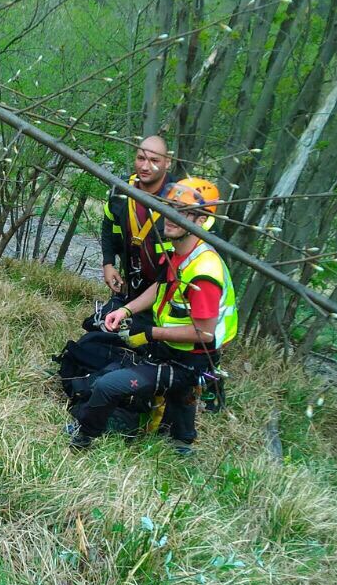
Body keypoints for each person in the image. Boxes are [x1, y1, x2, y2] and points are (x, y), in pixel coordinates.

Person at [67, 177, 235, 452]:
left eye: (184, 212)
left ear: (202, 221)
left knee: (109, 386)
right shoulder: (180, 251)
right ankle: (181, 442)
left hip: (189, 361)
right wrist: (125, 309)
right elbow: (162, 286)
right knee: (177, 411)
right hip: (172, 351)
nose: (171, 216)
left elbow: (204, 334)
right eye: (170, 206)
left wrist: (150, 333)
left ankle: (82, 437)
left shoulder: (205, 272)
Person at [100, 136, 179, 309]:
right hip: (133, 286)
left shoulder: (182, 198)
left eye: (154, 160)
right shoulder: (122, 189)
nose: (145, 166)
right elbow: (108, 224)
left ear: (167, 162)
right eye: (141, 158)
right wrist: (108, 263)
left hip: (169, 293)